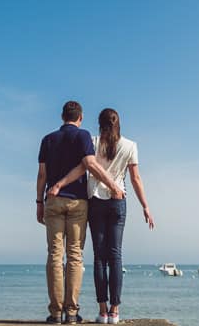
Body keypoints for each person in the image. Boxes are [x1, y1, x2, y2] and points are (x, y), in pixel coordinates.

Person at [48, 108, 154, 325]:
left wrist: (59, 184)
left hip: (94, 200)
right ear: (119, 124)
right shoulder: (130, 145)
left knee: (99, 256)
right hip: (118, 201)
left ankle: (103, 311)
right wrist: (145, 206)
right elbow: (135, 179)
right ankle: (115, 312)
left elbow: (82, 168)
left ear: (99, 123)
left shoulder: (93, 142)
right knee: (115, 255)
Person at [37, 101, 124, 324]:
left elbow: (42, 175)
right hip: (77, 203)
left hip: (53, 201)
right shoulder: (83, 136)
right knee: (75, 255)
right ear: (81, 118)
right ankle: (72, 313)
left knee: (55, 256)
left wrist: (39, 202)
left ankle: (56, 313)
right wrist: (113, 185)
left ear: (62, 116)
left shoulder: (48, 139)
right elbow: (89, 164)